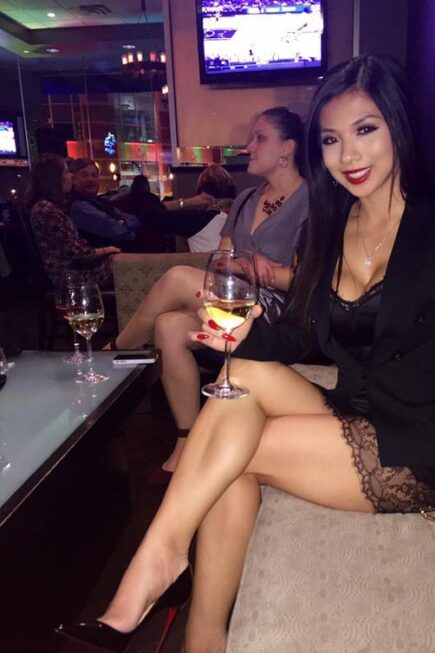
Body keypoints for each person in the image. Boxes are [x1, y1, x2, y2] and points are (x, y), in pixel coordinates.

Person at [56, 55, 435, 653]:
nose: (347, 155)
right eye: (330, 139)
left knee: (231, 455)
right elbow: (302, 335)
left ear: (398, 127)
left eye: (365, 129)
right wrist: (248, 333)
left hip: (420, 437)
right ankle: (199, 642)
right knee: (239, 379)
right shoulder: (328, 226)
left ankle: (168, 583)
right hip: (353, 406)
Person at [109, 107, 308, 474]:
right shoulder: (247, 199)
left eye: (259, 138)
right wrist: (243, 265)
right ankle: (188, 439)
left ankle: (115, 356)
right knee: (169, 325)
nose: (248, 146)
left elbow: (306, 281)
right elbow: (221, 261)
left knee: (177, 277)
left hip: (278, 312)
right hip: (233, 295)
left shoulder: (312, 201)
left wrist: (257, 271)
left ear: (287, 148)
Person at [26, 154, 119, 288]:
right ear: (54, 178)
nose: (71, 176)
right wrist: (107, 250)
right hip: (69, 276)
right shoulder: (46, 209)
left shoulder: (48, 206)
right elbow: (76, 252)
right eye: (66, 172)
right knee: (125, 264)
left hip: (74, 269)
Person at [68, 158, 140, 250]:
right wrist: (127, 227)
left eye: (94, 175)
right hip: (111, 256)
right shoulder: (79, 206)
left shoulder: (99, 201)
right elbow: (121, 234)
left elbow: (134, 220)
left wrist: (123, 223)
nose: (90, 179)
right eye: (84, 175)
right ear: (73, 179)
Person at [169, 164, 237, 252]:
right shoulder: (244, 214)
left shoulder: (196, 220)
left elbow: (153, 213)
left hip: (205, 261)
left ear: (202, 192)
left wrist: (187, 202)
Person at [113, 175, 171, 252]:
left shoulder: (125, 200)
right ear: (146, 186)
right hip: (154, 240)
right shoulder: (152, 199)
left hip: (134, 241)